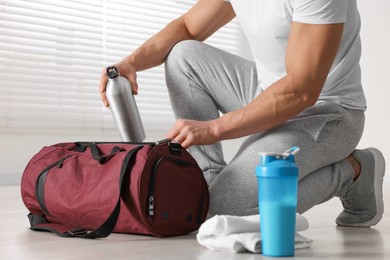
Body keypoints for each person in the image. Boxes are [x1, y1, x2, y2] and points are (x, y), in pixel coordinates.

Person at [99, 0, 386, 227]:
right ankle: (207, 180)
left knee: (227, 215)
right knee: (182, 55)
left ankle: (353, 172)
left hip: (328, 111)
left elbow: (302, 89)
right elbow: (188, 26)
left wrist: (214, 128)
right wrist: (130, 63)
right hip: (266, 90)